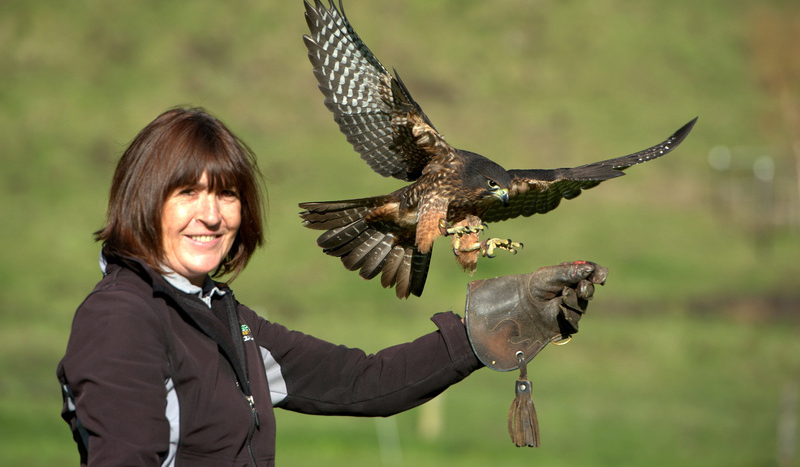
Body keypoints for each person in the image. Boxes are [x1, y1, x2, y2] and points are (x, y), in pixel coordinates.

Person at [57, 107, 605, 465]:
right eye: (187, 194)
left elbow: (362, 383)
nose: (211, 216)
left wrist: (495, 326)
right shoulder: (123, 319)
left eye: (226, 195)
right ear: (144, 200)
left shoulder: (222, 317)